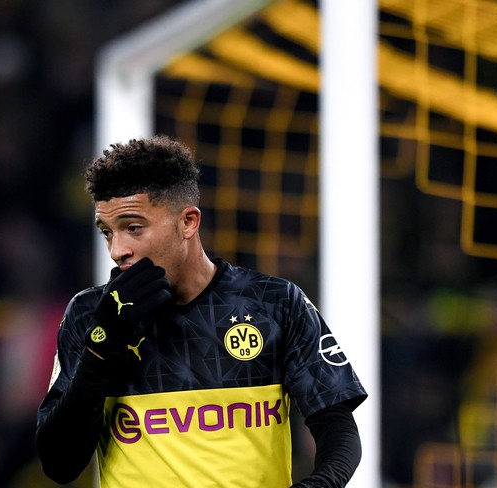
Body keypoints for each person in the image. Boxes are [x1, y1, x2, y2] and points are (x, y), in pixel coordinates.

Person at [35, 135, 367, 487]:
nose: (118, 250)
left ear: (188, 222)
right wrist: (100, 351)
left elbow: (337, 425)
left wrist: (320, 485)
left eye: (133, 228)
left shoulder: (274, 302)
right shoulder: (90, 316)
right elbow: (59, 464)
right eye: (107, 232)